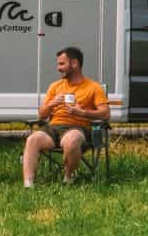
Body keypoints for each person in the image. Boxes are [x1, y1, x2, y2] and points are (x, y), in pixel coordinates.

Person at [22, 46, 109, 187]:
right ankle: (28, 184)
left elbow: (106, 113)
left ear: (74, 63)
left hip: (78, 127)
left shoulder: (93, 87)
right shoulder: (55, 86)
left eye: (62, 64)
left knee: (72, 140)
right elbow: (42, 114)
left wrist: (83, 113)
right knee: (33, 139)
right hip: (53, 127)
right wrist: (51, 104)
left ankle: (68, 178)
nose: (58, 68)